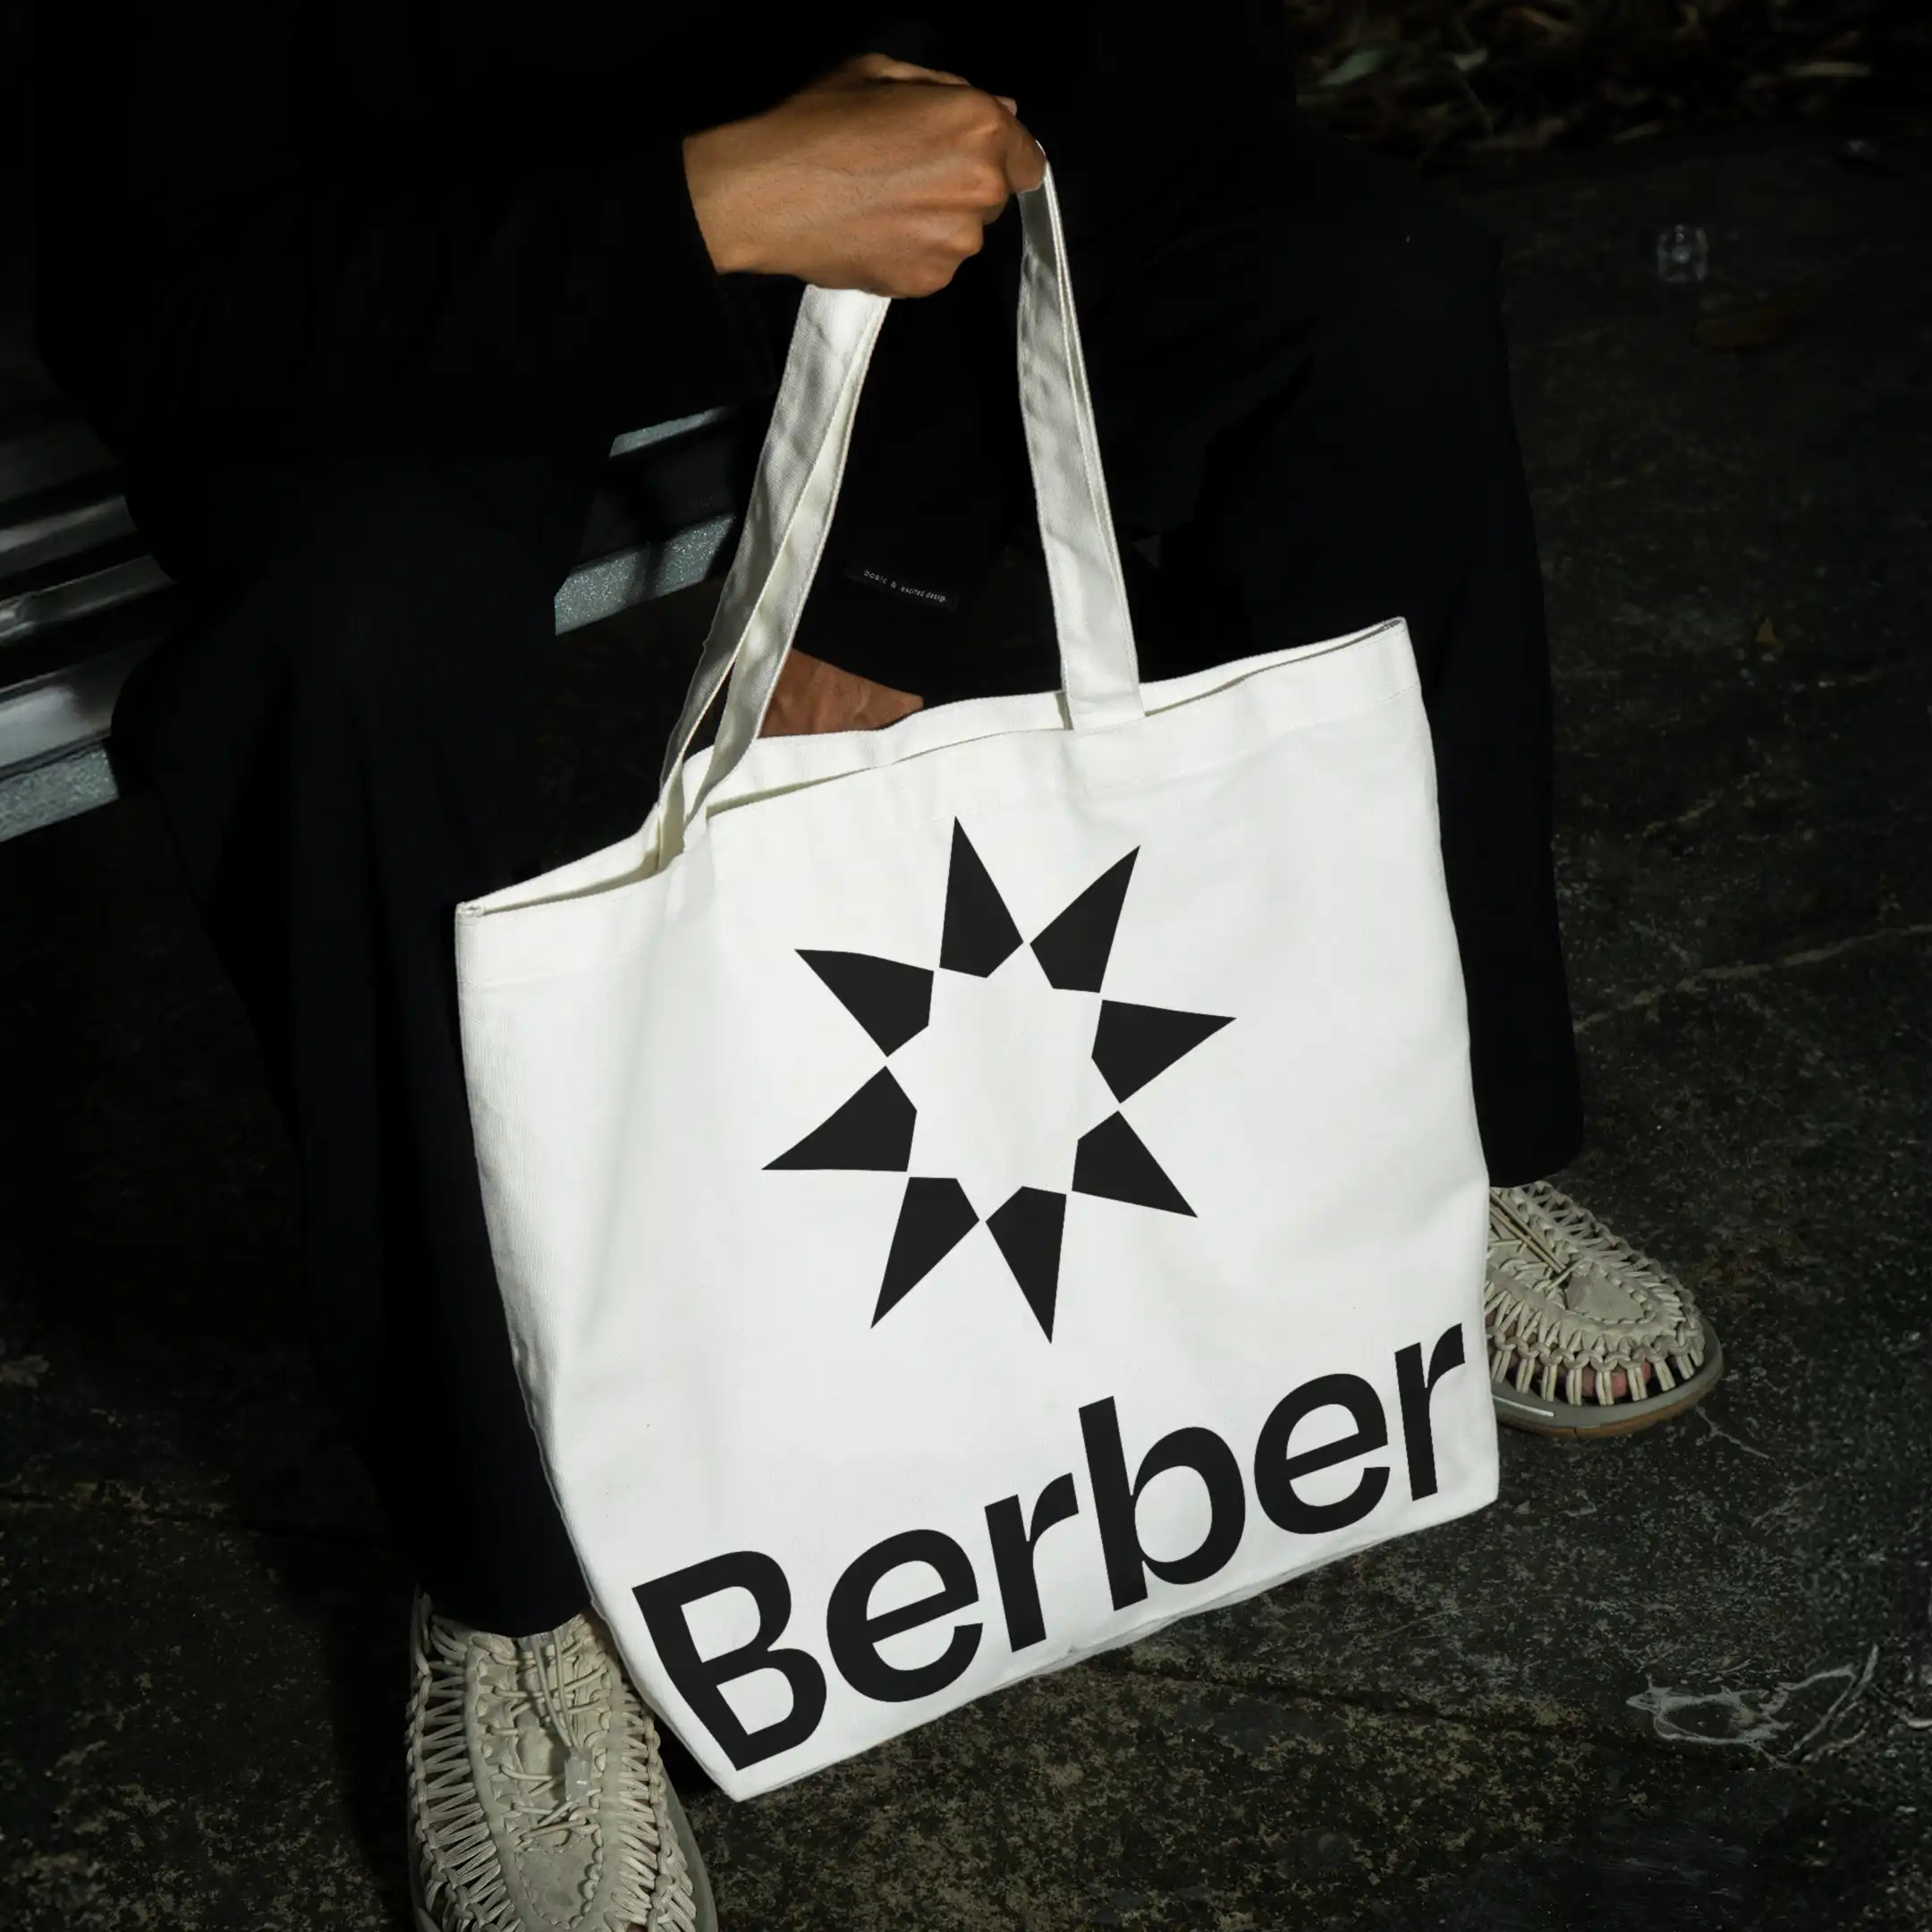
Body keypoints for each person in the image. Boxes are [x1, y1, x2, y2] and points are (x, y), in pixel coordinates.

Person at [30, 4, 1722, 1926]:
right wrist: (696, 207)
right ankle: (515, 1573)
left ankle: (1445, 1148)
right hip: (416, 278)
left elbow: (1166, 57)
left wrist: (877, 587)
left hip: (918, 204)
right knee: (342, 650)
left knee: (1371, 295)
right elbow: (175, 323)